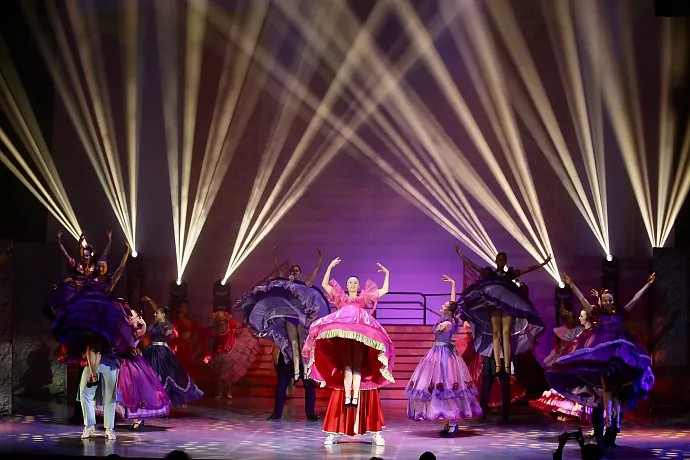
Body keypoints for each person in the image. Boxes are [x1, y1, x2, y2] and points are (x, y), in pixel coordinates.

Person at [547, 272, 656, 449]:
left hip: (617, 356)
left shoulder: (619, 314)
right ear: (601, 302)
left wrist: (648, 285)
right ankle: (603, 431)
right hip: (601, 358)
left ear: (613, 302)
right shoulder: (597, 315)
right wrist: (571, 284)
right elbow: (582, 300)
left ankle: (613, 429)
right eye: (605, 300)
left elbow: (634, 300)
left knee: (615, 390)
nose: (608, 302)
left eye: (610, 300)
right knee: (604, 390)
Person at [303, 257, 394, 445]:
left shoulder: (362, 299)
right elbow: (325, 285)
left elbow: (383, 290)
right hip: (344, 336)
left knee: (356, 365)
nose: (352, 284)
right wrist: (329, 267)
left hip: (360, 336)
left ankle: (354, 396)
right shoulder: (341, 298)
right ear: (346, 285)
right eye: (350, 282)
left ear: (358, 286)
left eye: (355, 283)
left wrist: (387, 274)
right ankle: (347, 397)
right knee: (347, 366)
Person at [456, 247, 547, 422]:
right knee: (496, 333)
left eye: (504, 259)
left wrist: (542, 264)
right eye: (499, 259)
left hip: (508, 304)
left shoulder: (509, 274)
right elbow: (475, 266)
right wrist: (462, 256)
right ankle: (499, 364)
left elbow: (526, 270)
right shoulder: (490, 274)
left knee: (506, 334)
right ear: (496, 260)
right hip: (493, 304)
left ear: (505, 261)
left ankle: (504, 364)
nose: (502, 261)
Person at [405, 275, 481, 436]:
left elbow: (451, 315)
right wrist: (453, 284)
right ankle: (449, 421)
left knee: (447, 387)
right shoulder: (449, 318)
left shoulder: (448, 322)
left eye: (445, 305)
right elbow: (454, 304)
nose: (442, 305)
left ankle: (452, 422)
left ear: (449, 311)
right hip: (437, 352)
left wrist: (446, 324)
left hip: (444, 355)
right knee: (443, 389)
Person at [53, 242, 134, 386]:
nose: (100, 268)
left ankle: (93, 374)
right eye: (99, 266)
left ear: (107, 267)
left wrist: (127, 252)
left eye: (103, 266)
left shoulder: (110, 282)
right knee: (90, 344)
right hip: (90, 317)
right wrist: (80, 247)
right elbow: (84, 264)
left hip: (102, 317)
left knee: (98, 345)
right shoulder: (89, 278)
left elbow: (121, 268)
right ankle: (93, 374)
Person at [96, 307, 171, 430]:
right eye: (128, 315)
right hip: (119, 361)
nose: (129, 317)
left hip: (132, 364)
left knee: (133, 391)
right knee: (117, 391)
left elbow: (140, 333)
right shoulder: (123, 328)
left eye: (132, 315)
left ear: (138, 318)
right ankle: (112, 418)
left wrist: (144, 325)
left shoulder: (136, 331)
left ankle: (138, 419)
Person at [530, 307, 597, 422]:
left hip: (585, 365)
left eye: (581, 316)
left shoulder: (592, 333)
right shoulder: (581, 333)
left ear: (588, 317)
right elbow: (569, 347)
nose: (579, 318)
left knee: (584, 389)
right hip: (575, 363)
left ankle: (588, 415)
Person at [140, 296, 204, 406]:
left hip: (162, 352)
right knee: (149, 374)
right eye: (155, 313)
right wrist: (150, 301)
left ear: (163, 314)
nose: (155, 314)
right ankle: (152, 400)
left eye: (157, 313)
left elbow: (171, 336)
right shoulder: (154, 323)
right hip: (151, 351)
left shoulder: (167, 324)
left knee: (167, 375)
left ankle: (166, 401)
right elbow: (156, 311)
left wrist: (169, 332)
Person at [205, 310, 258, 399]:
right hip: (220, 351)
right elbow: (207, 333)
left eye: (223, 319)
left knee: (229, 374)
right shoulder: (213, 329)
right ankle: (220, 392)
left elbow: (238, 327)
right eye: (220, 319)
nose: (222, 321)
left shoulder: (229, 324)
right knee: (220, 374)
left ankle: (228, 391)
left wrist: (236, 331)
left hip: (231, 349)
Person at [267, 347, 319, 421]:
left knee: (310, 385)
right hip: (290, 355)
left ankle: (310, 414)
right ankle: (277, 413)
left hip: (301, 355)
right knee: (282, 383)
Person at [78, 351, 119, 440]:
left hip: (109, 362)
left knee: (110, 395)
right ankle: (89, 424)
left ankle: (109, 428)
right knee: (85, 392)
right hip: (91, 363)